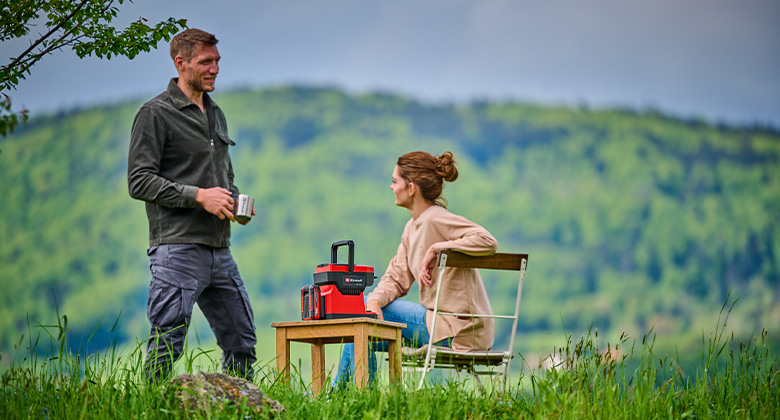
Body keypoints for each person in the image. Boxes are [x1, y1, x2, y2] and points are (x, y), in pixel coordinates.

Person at [127, 28, 257, 381]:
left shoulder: (216, 113)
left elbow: (220, 178)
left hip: (220, 249)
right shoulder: (154, 113)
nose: (215, 68)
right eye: (206, 62)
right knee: (167, 343)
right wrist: (200, 196)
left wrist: (232, 201)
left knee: (242, 342)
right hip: (177, 249)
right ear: (180, 63)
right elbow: (138, 181)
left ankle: (240, 409)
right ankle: (151, 409)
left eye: (217, 61)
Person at [334, 151, 498, 386]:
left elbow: (488, 240)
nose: (391, 187)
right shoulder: (412, 228)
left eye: (394, 181)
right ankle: (361, 400)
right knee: (360, 331)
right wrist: (374, 302)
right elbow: (395, 279)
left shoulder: (435, 218)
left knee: (360, 318)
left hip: (457, 331)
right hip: (439, 327)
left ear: (411, 188)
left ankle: (339, 395)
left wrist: (437, 249)